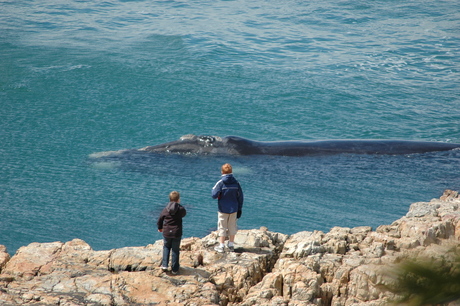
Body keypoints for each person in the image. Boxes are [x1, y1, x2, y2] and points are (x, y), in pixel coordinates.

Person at [212, 163, 244, 252]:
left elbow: (213, 195)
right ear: (231, 171)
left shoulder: (220, 183)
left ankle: (221, 246)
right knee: (232, 226)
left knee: (222, 227)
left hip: (223, 209)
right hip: (234, 209)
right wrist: (239, 208)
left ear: (222, 172)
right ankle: (231, 245)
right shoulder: (236, 183)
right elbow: (240, 197)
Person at [157, 191, 187, 274]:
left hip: (167, 232)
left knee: (166, 247)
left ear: (169, 199)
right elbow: (184, 214)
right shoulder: (180, 209)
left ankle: (165, 265)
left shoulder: (165, 209)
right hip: (176, 232)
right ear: (178, 200)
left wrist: (160, 227)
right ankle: (174, 269)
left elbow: (160, 219)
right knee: (175, 250)